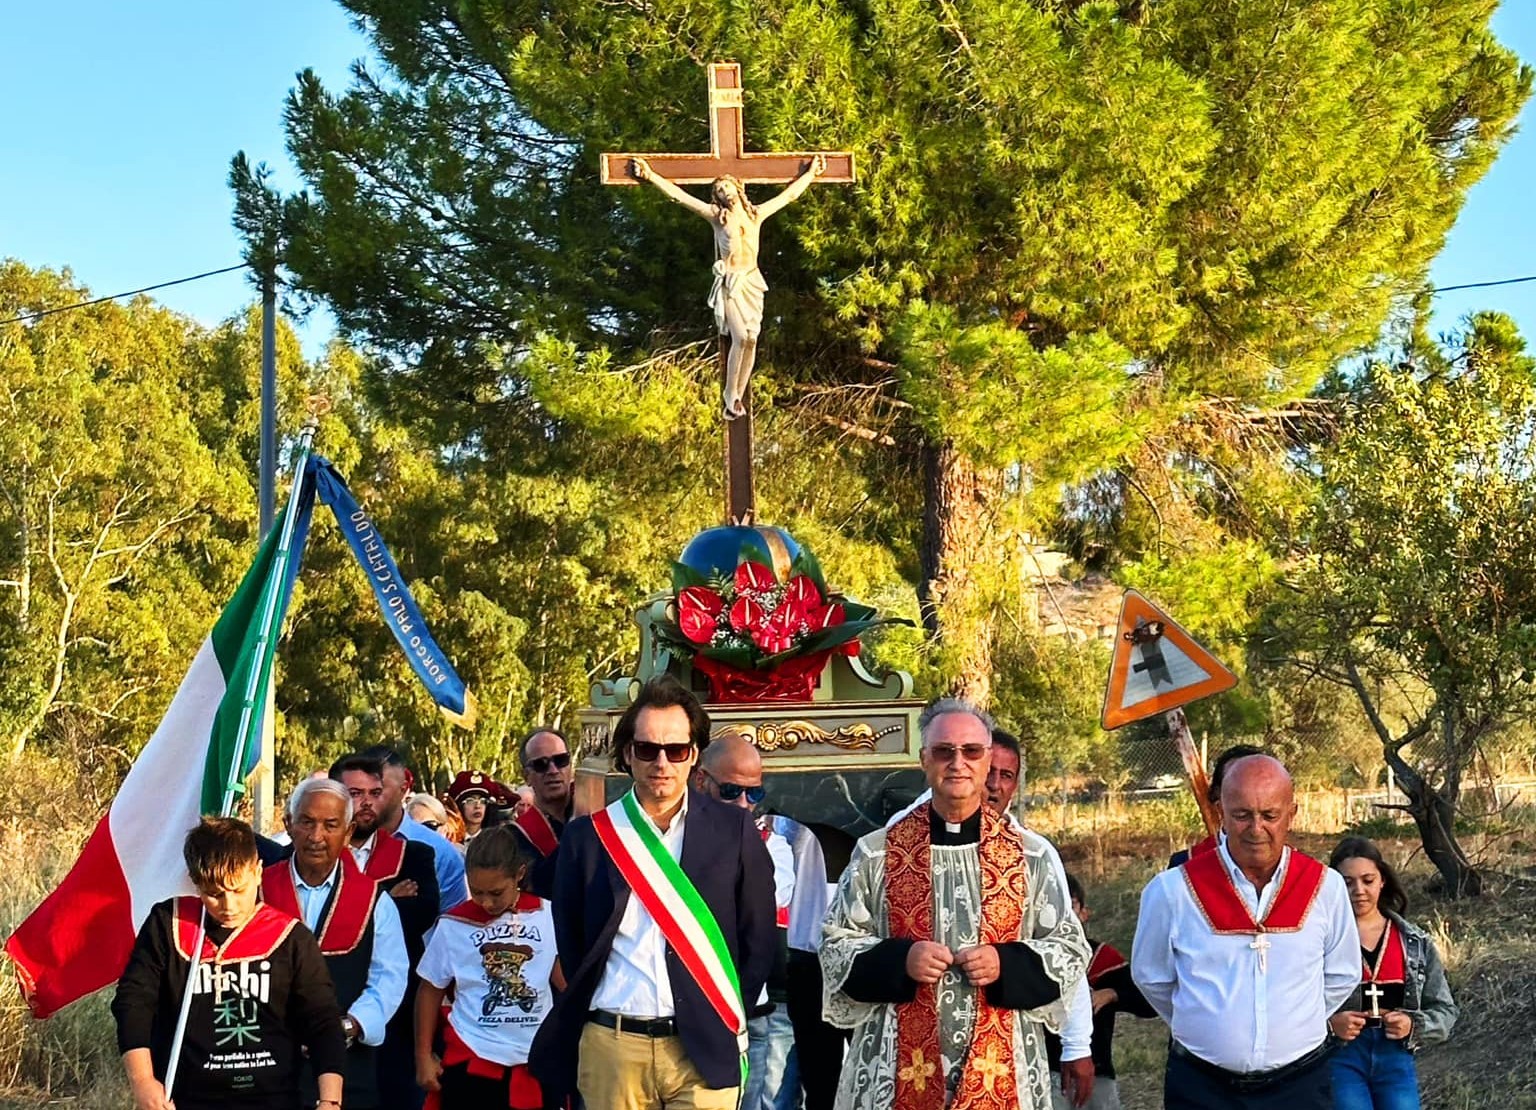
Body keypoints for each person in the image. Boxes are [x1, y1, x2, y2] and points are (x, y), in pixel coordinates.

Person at [821, 698, 1091, 1110]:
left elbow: (1070, 949)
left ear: (986, 762)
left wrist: (1006, 964)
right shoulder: (876, 853)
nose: (957, 763)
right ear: (924, 760)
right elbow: (835, 945)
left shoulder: (1030, 856)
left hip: (1003, 1062)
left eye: (971, 752)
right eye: (944, 751)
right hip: (894, 1063)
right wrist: (900, 961)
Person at [529, 675, 777, 1110]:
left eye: (675, 750)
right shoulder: (588, 838)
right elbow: (572, 941)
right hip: (613, 1047)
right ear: (628, 754)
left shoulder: (735, 831)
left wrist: (724, 1010)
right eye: (647, 749)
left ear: (694, 755)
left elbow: (758, 940)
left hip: (704, 1045)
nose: (661, 762)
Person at [1131, 754, 1358, 1109]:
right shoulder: (1172, 891)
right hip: (1203, 1085)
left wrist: (1295, 1024)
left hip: (1300, 1082)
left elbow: (1342, 974)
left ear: (1292, 813)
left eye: (1270, 815)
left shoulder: (1326, 888)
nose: (1256, 829)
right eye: (1242, 815)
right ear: (1221, 810)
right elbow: (1152, 977)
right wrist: (1204, 1023)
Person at [112, 817, 346, 1110]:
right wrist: (144, 1082)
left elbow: (322, 1020)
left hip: (273, 1098)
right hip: (186, 1097)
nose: (229, 906)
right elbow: (133, 1003)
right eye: (214, 894)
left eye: (239, 890)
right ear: (195, 883)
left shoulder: (292, 938)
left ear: (258, 872)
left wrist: (330, 1100)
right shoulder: (168, 924)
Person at [630, 153, 826, 419]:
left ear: (737, 187)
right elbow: (680, 197)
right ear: (717, 197)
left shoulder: (755, 215)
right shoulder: (716, 217)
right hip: (731, 283)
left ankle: (737, 395)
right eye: (719, 190)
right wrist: (651, 175)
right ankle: (729, 393)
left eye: (727, 186)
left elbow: (788, 197)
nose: (724, 191)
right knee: (742, 337)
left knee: (752, 339)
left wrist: (811, 174)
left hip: (752, 281)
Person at [263, 778, 408, 1110]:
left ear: (348, 830)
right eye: (306, 822)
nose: (316, 837)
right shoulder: (257, 890)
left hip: (347, 1063)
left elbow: (389, 977)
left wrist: (348, 1026)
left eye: (330, 825)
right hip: (268, 1064)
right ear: (288, 823)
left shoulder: (373, 900)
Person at [981, 726, 1096, 1109]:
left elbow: (1066, 948)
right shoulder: (903, 837)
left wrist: (1077, 1044)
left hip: (1007, 1031)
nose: (993, 785)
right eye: (987, 770)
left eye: (1006, 776)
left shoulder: (1034, 854)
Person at [415, 825, 565, 1110]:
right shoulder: (453, 924)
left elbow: (563, 983)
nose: (486, 902)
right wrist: (423, 1055)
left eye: (496, 892)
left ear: (519, 874)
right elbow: (429, 989)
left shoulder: (548, 915)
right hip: (472, 1057)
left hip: (535, 1058)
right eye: (477, 891)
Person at [693, 733, 797, 1110]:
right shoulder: (670, 840)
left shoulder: (771, 844)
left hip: (747, 1008)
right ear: (701, 780)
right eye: (732, 790)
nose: (743, 803)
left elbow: (767, 901)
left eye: (754, 794)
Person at [332, 755, 442, 1110]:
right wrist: (385, 899)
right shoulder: (308, 857)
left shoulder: (415, 855)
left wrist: (359, 905)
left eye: (374, 792)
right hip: (329, 1007)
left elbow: (422, 914)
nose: (366, 802)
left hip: (397, 1016)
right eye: (354, 793)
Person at [1326, 836, 1457, 1110]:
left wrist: (1414, 1025)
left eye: (1367, 879)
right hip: (1341, 1057)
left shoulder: (1414, 943)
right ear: (1332, 885)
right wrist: (1329, 1025)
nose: (1358, 890)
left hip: (1395, 1057)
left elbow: (1444, 1010)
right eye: (1347, 882)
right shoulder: (1319, 942)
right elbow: (1293, 1006)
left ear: (1382, 880)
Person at [1045, 874, 1158, 1110]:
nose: (1064, 913)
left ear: (1085, 913)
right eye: (1055, 904)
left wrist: (1110, 993)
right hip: (1044, 1070)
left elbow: (1149, 1002)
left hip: (1097, 1070)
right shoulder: (1031, 957)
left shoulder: (1102, 957)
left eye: (1071, 904)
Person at [359, 745, 469, 908]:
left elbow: (452, 921)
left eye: (377, 790)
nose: (367, 800)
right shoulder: (338, 846)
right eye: (358, 791)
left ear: (403, 790)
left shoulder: (439, 851)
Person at [1167, 743, 1266, 868]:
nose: (1249, 793)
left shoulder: (1293, 868)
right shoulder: (1185, 866)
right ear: (1217, 795)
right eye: (1236, 783)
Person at [511, 727, 576, 899]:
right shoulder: (515, 837)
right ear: (527, 776)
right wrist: (578, 826)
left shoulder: (601, 810)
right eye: (541, 765)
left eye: (561, 760)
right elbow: (539, 886)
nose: (553, 770)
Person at [448, 771, 497, 841]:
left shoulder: (495, 840)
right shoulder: (450, 840)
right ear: (459, 806)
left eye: (483, 801)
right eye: (470, 801)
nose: (477, 806)